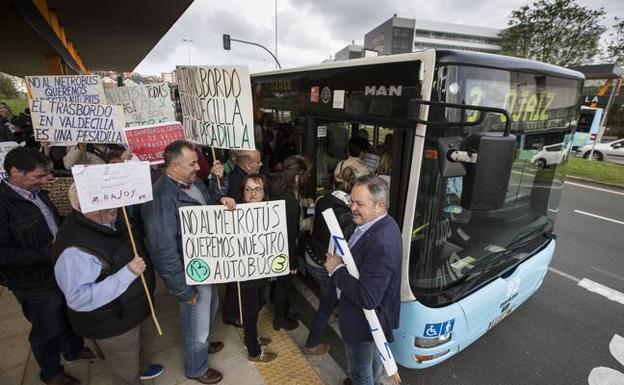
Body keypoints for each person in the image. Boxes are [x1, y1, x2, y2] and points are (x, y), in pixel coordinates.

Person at [142, 140, 235, 385]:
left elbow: (210, 203)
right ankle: (196, 367)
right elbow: (162, 248)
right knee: (196, 319)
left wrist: (221, 192)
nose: (198, 167)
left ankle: (201, 344)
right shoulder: (161, 197)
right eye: (192, 163)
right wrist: (181, 288)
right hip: (189, 271)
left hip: (206, 265)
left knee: (210, 307)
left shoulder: (191, 183)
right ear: (173, 166)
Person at [0, 147, 94, 385]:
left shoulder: (39, 193)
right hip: (32, 282)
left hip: (59, 270)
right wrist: (48, 251)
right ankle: (51, 373)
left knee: (66, 312)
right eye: (39, 176)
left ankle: (73, 349)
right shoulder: (3, 204)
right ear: (15, 172)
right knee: (47, 328)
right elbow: (3, 254)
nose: (46, 180)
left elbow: (53, 221)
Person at [52, 185, 163, 385]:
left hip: (132, 308)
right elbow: (79, 298)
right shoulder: (75, 249)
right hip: (113, 321)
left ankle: (143, 370)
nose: (114, 206)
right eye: (104, 202)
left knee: (138, 349)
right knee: (124, 372)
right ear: (83, 206)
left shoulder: (109, 220)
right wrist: (127, 274)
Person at [324, 175, 402, 385]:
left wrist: (337, 269)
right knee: (374, 363)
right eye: (351, 201)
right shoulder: (382, 223)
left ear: (380, 205)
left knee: (360, 373)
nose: (352, 208)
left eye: (359, 203)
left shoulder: (381, 243)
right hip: (373, 323)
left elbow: (367, 298)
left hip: (363, 323)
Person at [303, 167, 357, 355]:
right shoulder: (349, 214)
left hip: (311, 257)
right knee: (326, 305)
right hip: (326, 267)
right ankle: (312, 343)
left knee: (329, 298)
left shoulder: (322, 200)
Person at [268, 155, 311, 331]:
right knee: (283, 285)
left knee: (277, 284)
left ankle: (283, 311)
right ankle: (280, 319)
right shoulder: (290, 202)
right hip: (283, 250)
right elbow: (291, 235)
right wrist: (292, 262)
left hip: (271, 245)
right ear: (297, 176)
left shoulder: (275, 187)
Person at [237, 174, 277, 363]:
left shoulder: (269, 212)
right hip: (245, 274)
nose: (253, 193)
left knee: (257, 307)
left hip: (262, 270)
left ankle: (251, 338)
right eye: (248, 189)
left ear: (264, 192)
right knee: (250, 311)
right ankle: (254, 351)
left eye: (257, 189)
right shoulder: (233, 212)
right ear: (242, 192)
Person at [222, 149, 263, 327]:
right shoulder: (238, 180)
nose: (261, 165)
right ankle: (235, 315)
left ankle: (231, 314)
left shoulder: (234, 176)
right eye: (258, 162)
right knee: (238, 284)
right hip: (240, 240)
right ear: (249, 165)